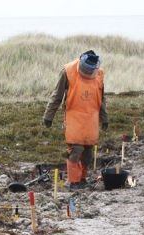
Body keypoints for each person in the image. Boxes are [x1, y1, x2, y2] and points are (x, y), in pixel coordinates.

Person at [43, 50, 108, 190]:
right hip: (74, 117)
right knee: (76, 150)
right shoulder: (68, 71)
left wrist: (104, 118)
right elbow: (57, 95)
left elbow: (101, 98)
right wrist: (49, 116)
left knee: (88, 153)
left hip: (91, 119)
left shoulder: (100, 74)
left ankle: (82, 179)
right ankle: (73, 182)